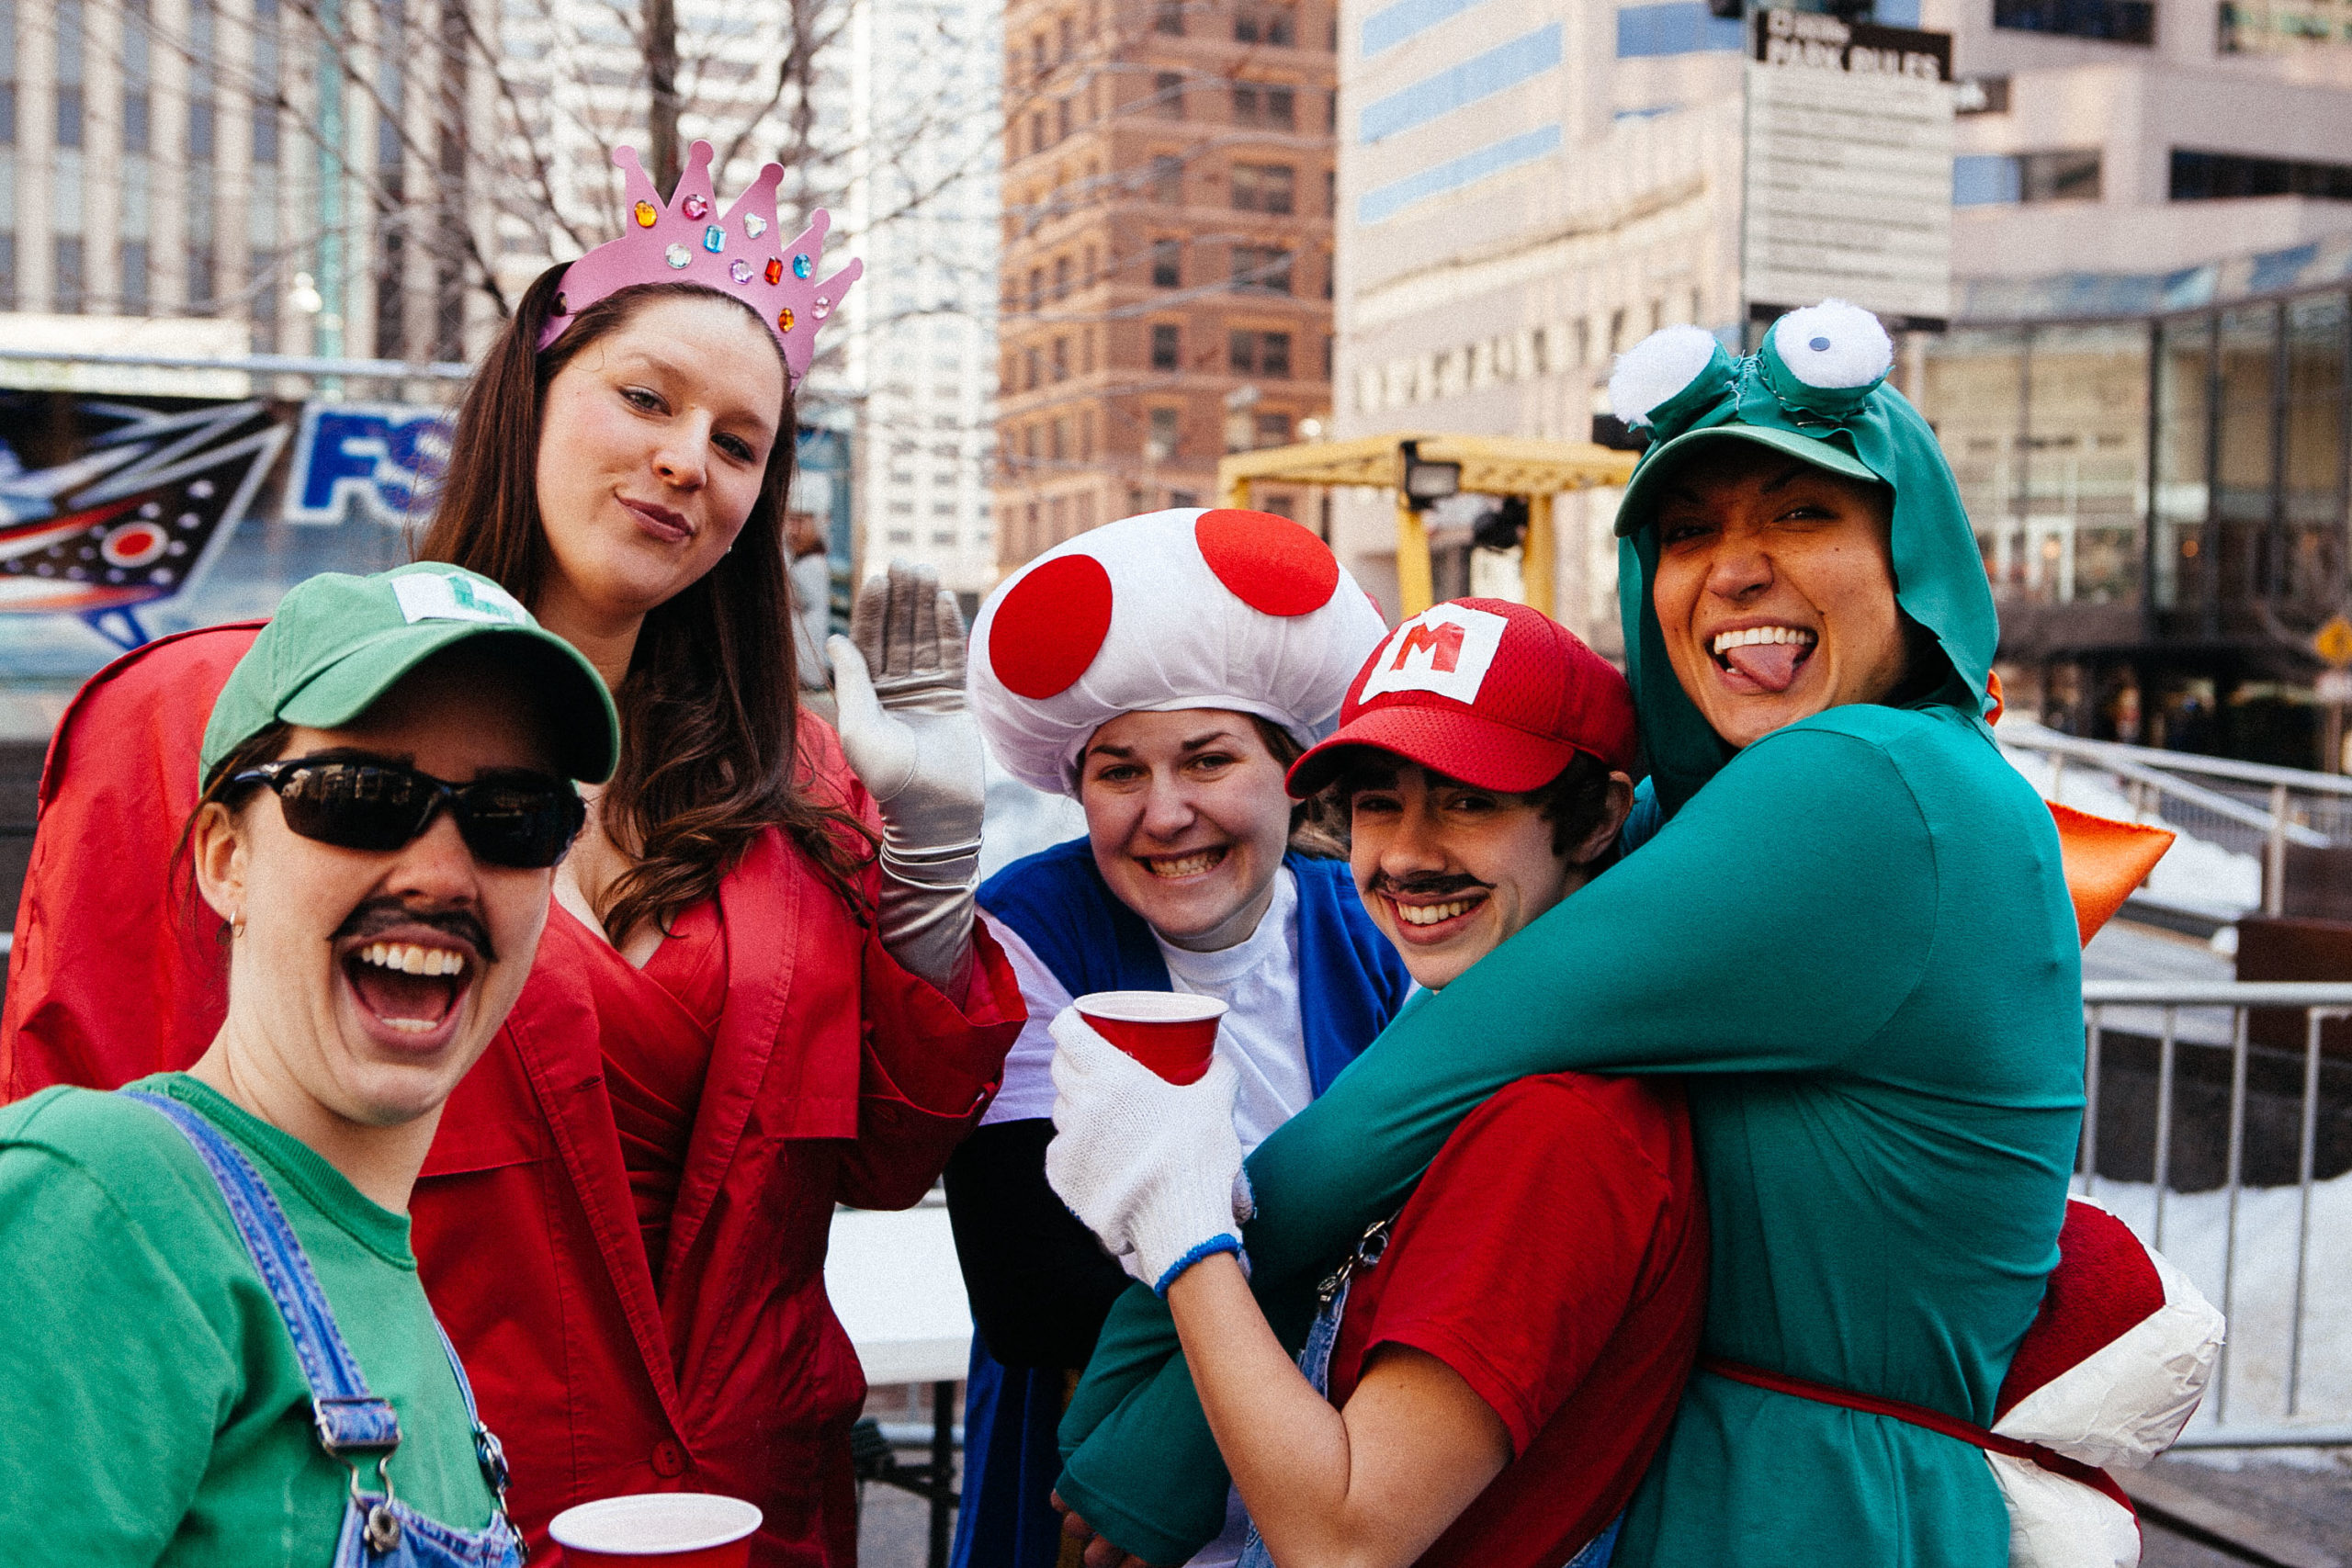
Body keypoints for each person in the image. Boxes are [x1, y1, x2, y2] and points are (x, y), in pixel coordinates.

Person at [0, 141, 1024, 1565]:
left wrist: (927, 892)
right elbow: (86, 1219)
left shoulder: (807, 780)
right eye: (646, 397)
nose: (687, 460)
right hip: (407, 1499)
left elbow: (875, 1157)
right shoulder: (213, 724)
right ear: (527, 398)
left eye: (740, 444)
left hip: (767, 1514)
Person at [1047, 301, 2086, 1568]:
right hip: (1749, 1477)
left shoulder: (1870, 781)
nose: (1738, 566)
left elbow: (1423, 1081)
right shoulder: (1781, 803)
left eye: (1802, 511)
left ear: (1912, 544)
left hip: (1808, 1505)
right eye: (1687, 527)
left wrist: (1143, 1413)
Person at [1045, 597, 1708, 1568]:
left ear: (1596, 818)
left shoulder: (1557, 1128)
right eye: (1376, 802)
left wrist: (1183, 1225)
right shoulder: (1458, 1057)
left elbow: (1343, 1539)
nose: (1407, 855)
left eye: (1470, 800)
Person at [0, 564, 618, 1566]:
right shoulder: (101, 1201)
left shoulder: (391, 1294)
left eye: (514, 817)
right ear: (224, 859)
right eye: (363, 796)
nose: (439, 871)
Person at [945, 506, 1412, 1568]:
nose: (1163, 814)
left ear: (1292, 776)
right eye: (1118, 773)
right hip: (1094, 1492)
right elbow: (1033, 1295)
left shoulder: (1371, 922)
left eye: (1206, 761)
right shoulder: (1026, 926)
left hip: (1342, 1471)